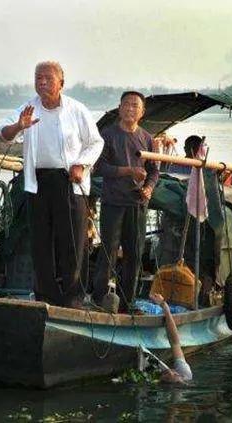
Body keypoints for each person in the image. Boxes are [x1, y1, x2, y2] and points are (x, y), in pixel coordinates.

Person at [0, 61, 104, 308]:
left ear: (61, 83)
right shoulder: (27, 109)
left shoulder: (76, 110)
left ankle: (73, 299)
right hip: (37, 182)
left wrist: (81, 164)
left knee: (72, 243)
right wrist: (19, 126)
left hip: (69, 181)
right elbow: (3, 133)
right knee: (41, 242)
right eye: (38, 78)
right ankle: (45, 296)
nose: (42, 82)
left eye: (47, 78)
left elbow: (96, 143)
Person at [92, 91, 159, 312]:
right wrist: (128, 170)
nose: (130, 109)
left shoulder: (147, 139)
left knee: (134, 254)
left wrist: (148, 188)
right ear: (120, 108)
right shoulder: (108, 135)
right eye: (126, 105)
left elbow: (154, 172)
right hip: (113, 202)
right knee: (108, 251)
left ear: (142, 112)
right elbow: (99, 167)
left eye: (135, 106)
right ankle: (98, 299)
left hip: (137, 203)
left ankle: (126, 303)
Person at [149, 292, 193, 383]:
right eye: (174, 373)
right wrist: (164, 306)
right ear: (179, 375)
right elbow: (174, 342)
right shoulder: (185, 372)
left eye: (167, 375)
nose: (170, 371)